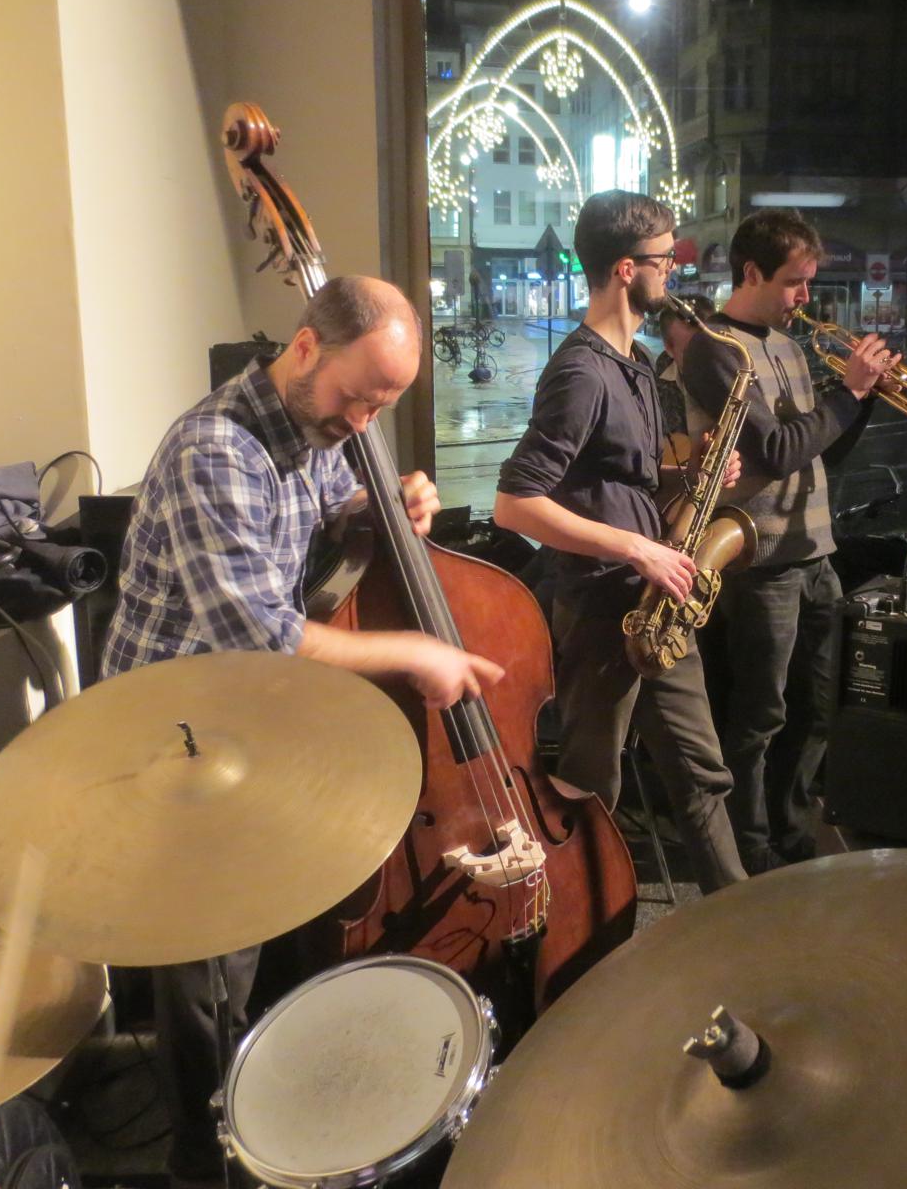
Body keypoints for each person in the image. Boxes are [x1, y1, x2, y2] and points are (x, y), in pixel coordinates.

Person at [101, 275, 503, 1186]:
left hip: (250, 713)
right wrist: (412, 651)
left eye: (383, 407)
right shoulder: (216, 450)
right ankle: (203, 1158)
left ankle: (273, 1118)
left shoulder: (309, 430)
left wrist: (388, 502)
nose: (362, 422)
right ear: (307, 347)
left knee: (275, 926)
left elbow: (327, 505)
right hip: (173, 731)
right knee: (210, 963)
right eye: (358, 397)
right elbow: (255, 629)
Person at [493, 190, 745, 894]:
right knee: (591, 790)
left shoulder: (636, 362)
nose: (675, 271)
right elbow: (515, 504)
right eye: (666, 259)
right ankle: (584, 928)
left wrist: (694, 472)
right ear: (627, 269)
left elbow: (622, 480)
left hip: (659, 601)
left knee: (702, 777)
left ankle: (741, 916)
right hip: (604, 609)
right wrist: (636, 548)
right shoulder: (581, 371)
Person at [680, 208, 893, 873]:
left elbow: (818, 453)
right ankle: (749, 848)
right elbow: (773, 453)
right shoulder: (716, 349)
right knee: (758, 719)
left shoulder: (791, 348)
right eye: (795, 282)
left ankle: (795, 836)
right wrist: (847, 394)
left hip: (816, 553)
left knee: (818, 711)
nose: (805, 297)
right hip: (762, 561)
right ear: (751, 272)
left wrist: (863, 399)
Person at [653, 291, 715, 467]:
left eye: (710, 346)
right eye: (691, 351)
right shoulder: (654, 384)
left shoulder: (736, 377)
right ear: (669, 348)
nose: (705, 358)